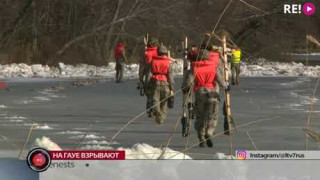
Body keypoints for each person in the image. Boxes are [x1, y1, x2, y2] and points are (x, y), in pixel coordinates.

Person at [188, 47, 229, 148]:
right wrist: (226, 86)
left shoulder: (194, 67)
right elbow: (219, 79)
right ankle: (209, 132)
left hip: (200, 92)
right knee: (212, 115)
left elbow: (189, 80)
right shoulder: (213, 67)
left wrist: (186, 87)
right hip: (212, 93)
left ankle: (201, 138)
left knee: (200, 116)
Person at [150, 45, 174, 124]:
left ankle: (157, 112)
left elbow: (149, 72)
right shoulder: (168, 62)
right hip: (165, 82)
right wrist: (171, 87)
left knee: (155, 100)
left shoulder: (153, 61)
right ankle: (161, 119)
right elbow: (170, 76)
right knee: (164, 102)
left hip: (155, 81)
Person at [139, 38, 159, 117]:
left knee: (149, 91)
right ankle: (155, 107)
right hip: (158, 74)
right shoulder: (159, 52)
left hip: (148, 74)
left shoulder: (145, 53)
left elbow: (142, 67)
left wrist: (140, 79)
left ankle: (149, 105)